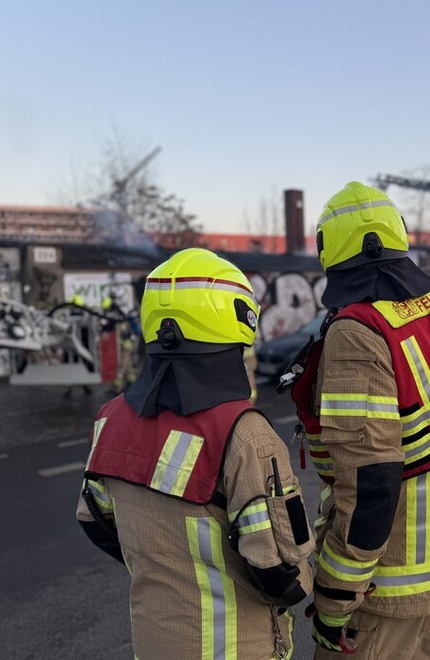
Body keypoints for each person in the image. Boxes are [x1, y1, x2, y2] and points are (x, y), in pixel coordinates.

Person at [76, 248, 314, 660]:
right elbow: (281, 577)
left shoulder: (110, 418)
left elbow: (94, 519)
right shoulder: (245, 435)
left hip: (153, 645)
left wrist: (161, 567)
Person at [289, 182, 430, 658]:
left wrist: (334, 600)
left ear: (328, 250)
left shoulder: (357, 332)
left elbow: (371, 483)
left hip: (382, 588)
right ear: (396, 236)